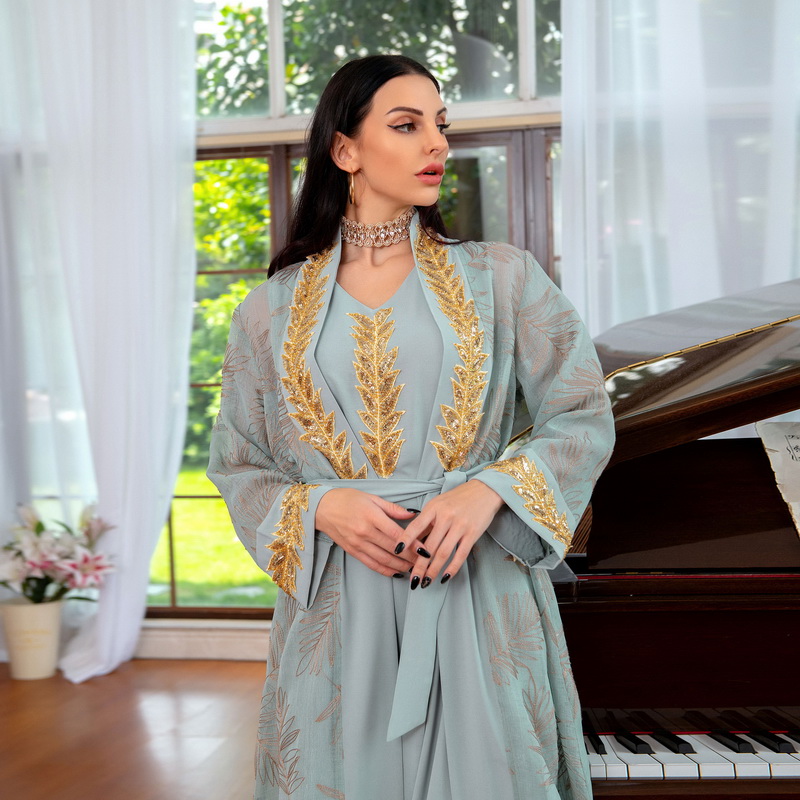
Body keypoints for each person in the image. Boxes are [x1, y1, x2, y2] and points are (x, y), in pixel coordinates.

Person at [208, 54, 615, 800]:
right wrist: (320, 505)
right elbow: (239, 461)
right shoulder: (268, 311)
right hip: (339, 603)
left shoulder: (503, 277)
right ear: (346, 150)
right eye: (406, 124)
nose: (436, 143)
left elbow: (582, 411)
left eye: (441, 124)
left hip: (476, 588)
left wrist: (488, 492)